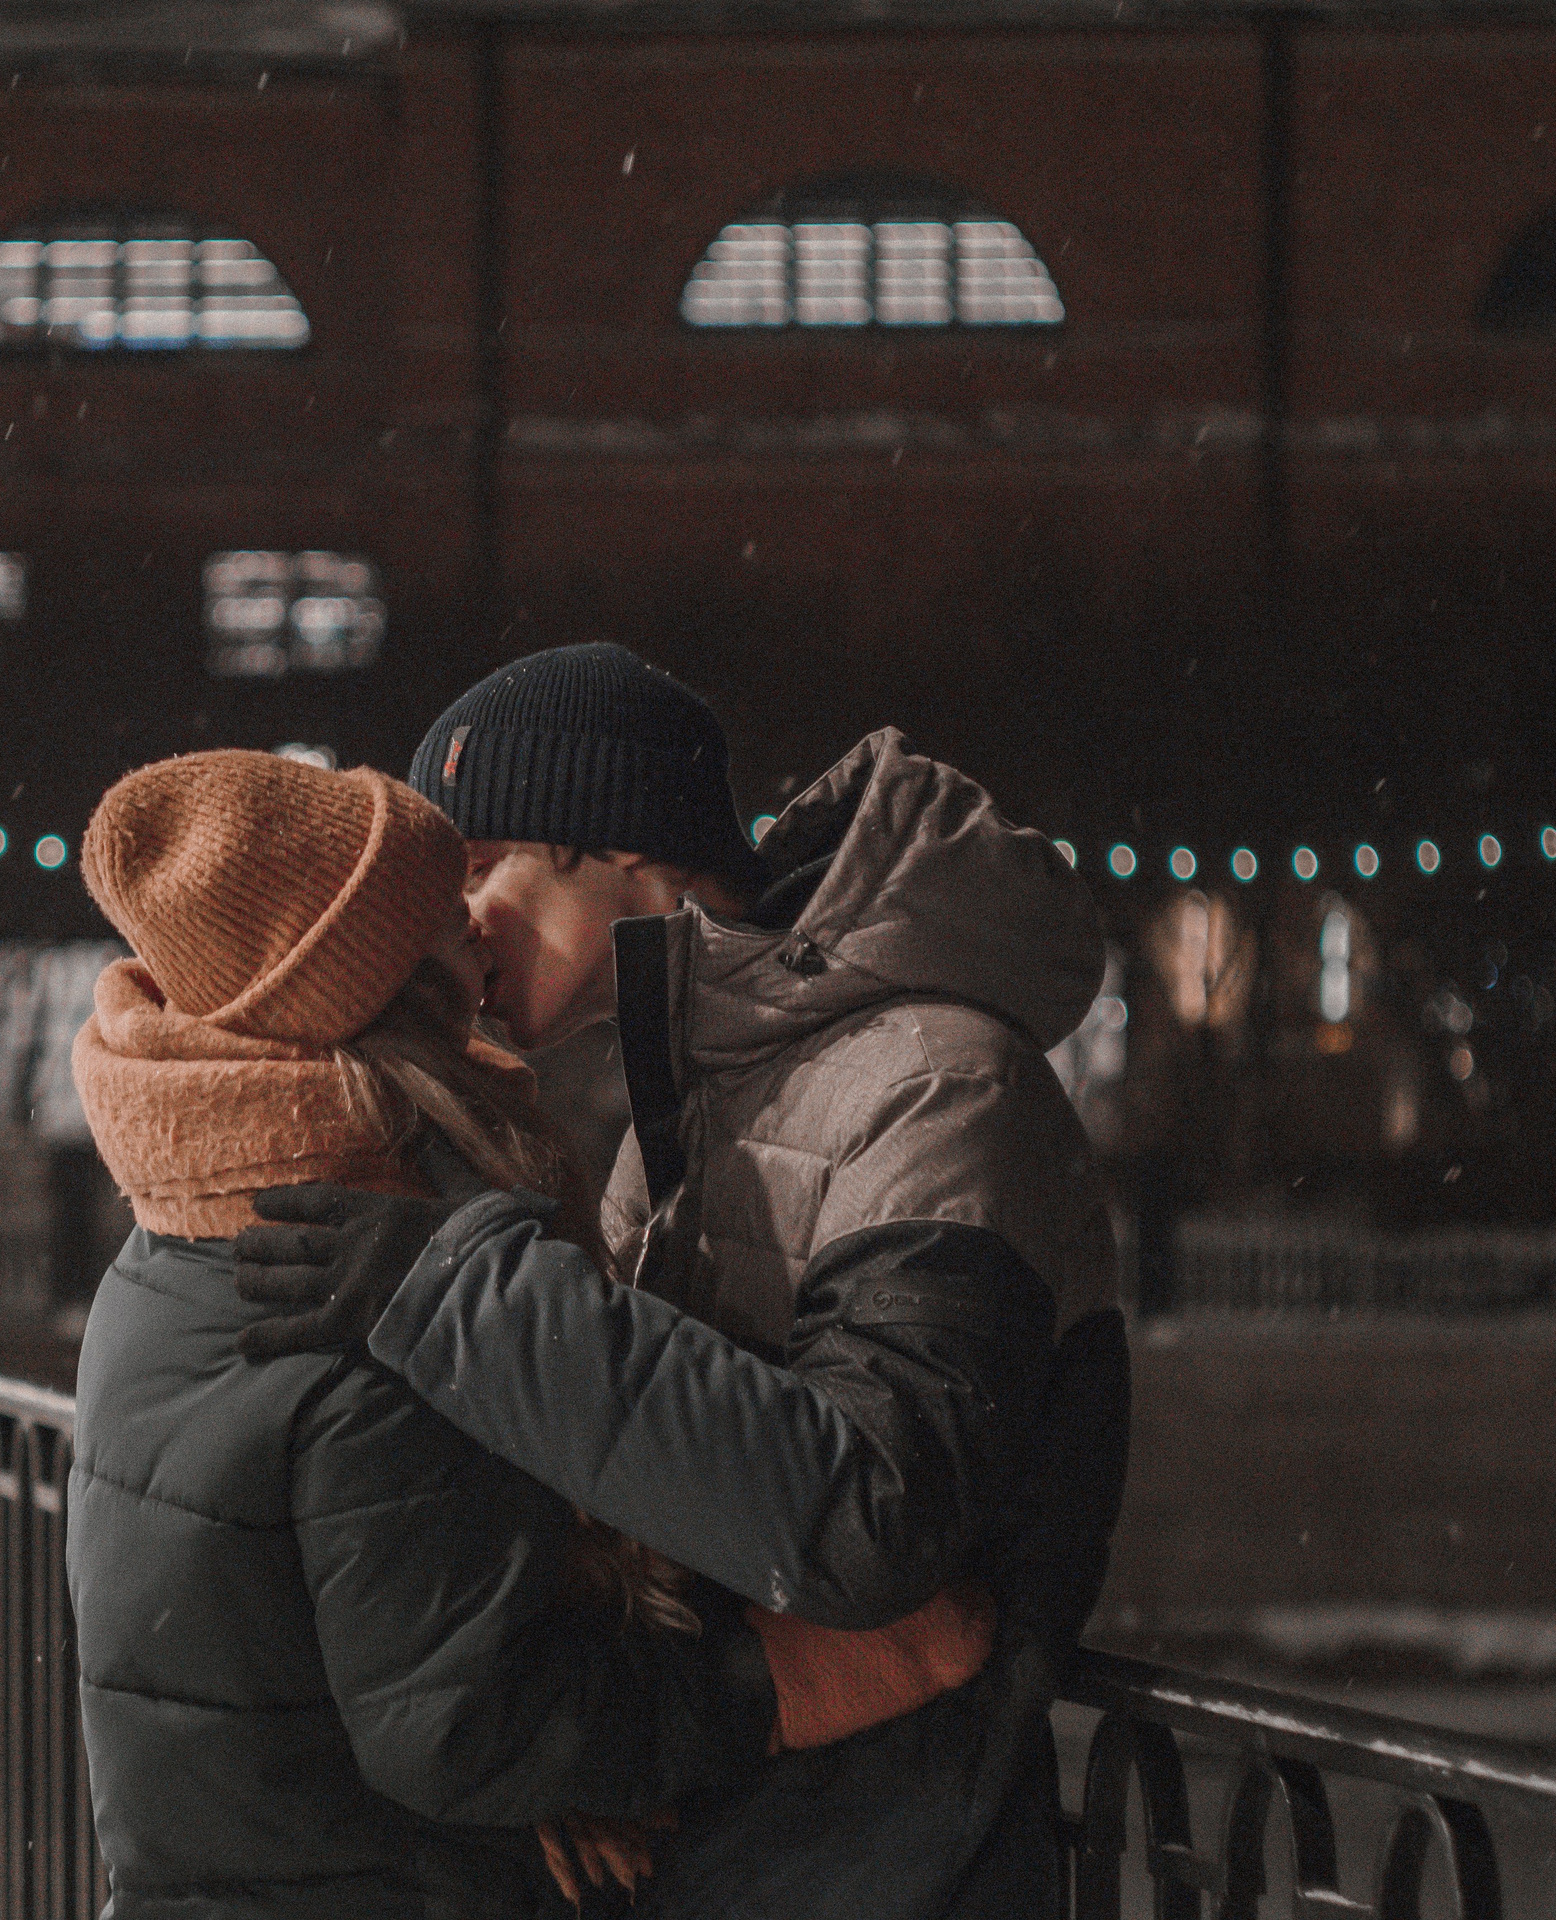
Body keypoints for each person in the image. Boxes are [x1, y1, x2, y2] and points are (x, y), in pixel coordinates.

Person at [234, 646, 1134, 1919]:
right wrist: (585, 1742)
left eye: (483, 867)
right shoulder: (697, 1101)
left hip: (889, 1870)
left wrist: (454, 1304)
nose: (457, 920)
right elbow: (639, 1479)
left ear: (619, 849)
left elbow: (871, 1515)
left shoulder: (936, 1083)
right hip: (740, 1847)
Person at [65, 749, 999, 1919]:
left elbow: (376, 1643)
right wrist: (783, 1681)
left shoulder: (178, 1244)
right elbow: (459, 1728)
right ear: (387, 980)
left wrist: (561, 1755)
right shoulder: (369, 1288)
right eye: (436, 898)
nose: (471, 913)